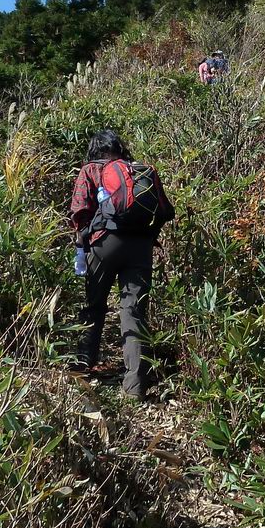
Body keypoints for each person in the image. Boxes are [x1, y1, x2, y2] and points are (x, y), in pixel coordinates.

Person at [69, 129, 175, 397]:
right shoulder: (139, 171)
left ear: (96, 148)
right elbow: (164, 210)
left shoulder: (91, 169)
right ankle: (135, 387)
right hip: (140, 246)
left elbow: (79, 210)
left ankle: (84, 365)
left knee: (94, 306)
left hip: (105, 243)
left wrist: (83, 246)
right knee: (134, 312)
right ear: (119, 147)